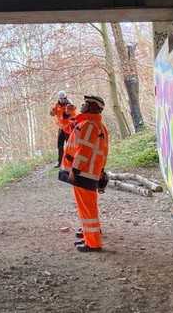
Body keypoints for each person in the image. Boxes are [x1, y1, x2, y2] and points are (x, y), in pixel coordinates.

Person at [60, 95, 109, 252]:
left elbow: (84, 150)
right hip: (91, 172)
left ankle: (93, 243)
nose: (82, 105)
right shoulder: (97, 125)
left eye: (85, 104)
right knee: (89, 207)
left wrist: (75, 170)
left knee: (87, 209)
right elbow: (103, 152)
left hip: (83, 173)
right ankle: (89, 236)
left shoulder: (88, 125)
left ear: (93, 107)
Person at [50, 91, 77, 168]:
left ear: (66, 97)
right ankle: (60, 162)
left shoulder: (70, 104)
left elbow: (74, 115)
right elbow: (53, 112)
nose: (62, 100)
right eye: (61, 98)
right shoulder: (57, 104)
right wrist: (52, 112)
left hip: (69, 128)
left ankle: (72, 162)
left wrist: (68, 114)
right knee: (60, 145)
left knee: (70, 146)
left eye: (63, 98)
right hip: (61, 128)